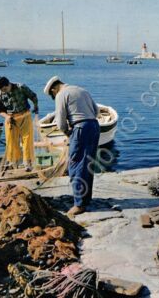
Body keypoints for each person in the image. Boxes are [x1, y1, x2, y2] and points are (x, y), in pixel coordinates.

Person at [43, 76, 100, 216]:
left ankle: (79, 204)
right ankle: (86, 199)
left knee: (76, 165)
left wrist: (68, 133)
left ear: (54, 89)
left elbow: (61, 121)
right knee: (88, 164)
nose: (54, 96)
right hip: (94, 126)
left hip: (80, 128)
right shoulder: (82, 90)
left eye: (52, 94)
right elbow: (97, 111)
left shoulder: (61, 94)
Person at [0, 76, 39, 171]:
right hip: (10, 119)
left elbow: (33, 96)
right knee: (11, 141)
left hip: (24, 116)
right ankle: (13, 162)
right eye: (2, 90)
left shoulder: (21, 87)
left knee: (27, 139)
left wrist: (35, 106)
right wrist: (6, 116)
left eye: (5, 89)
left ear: (8, 84)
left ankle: (27, 163)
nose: (4, 91)